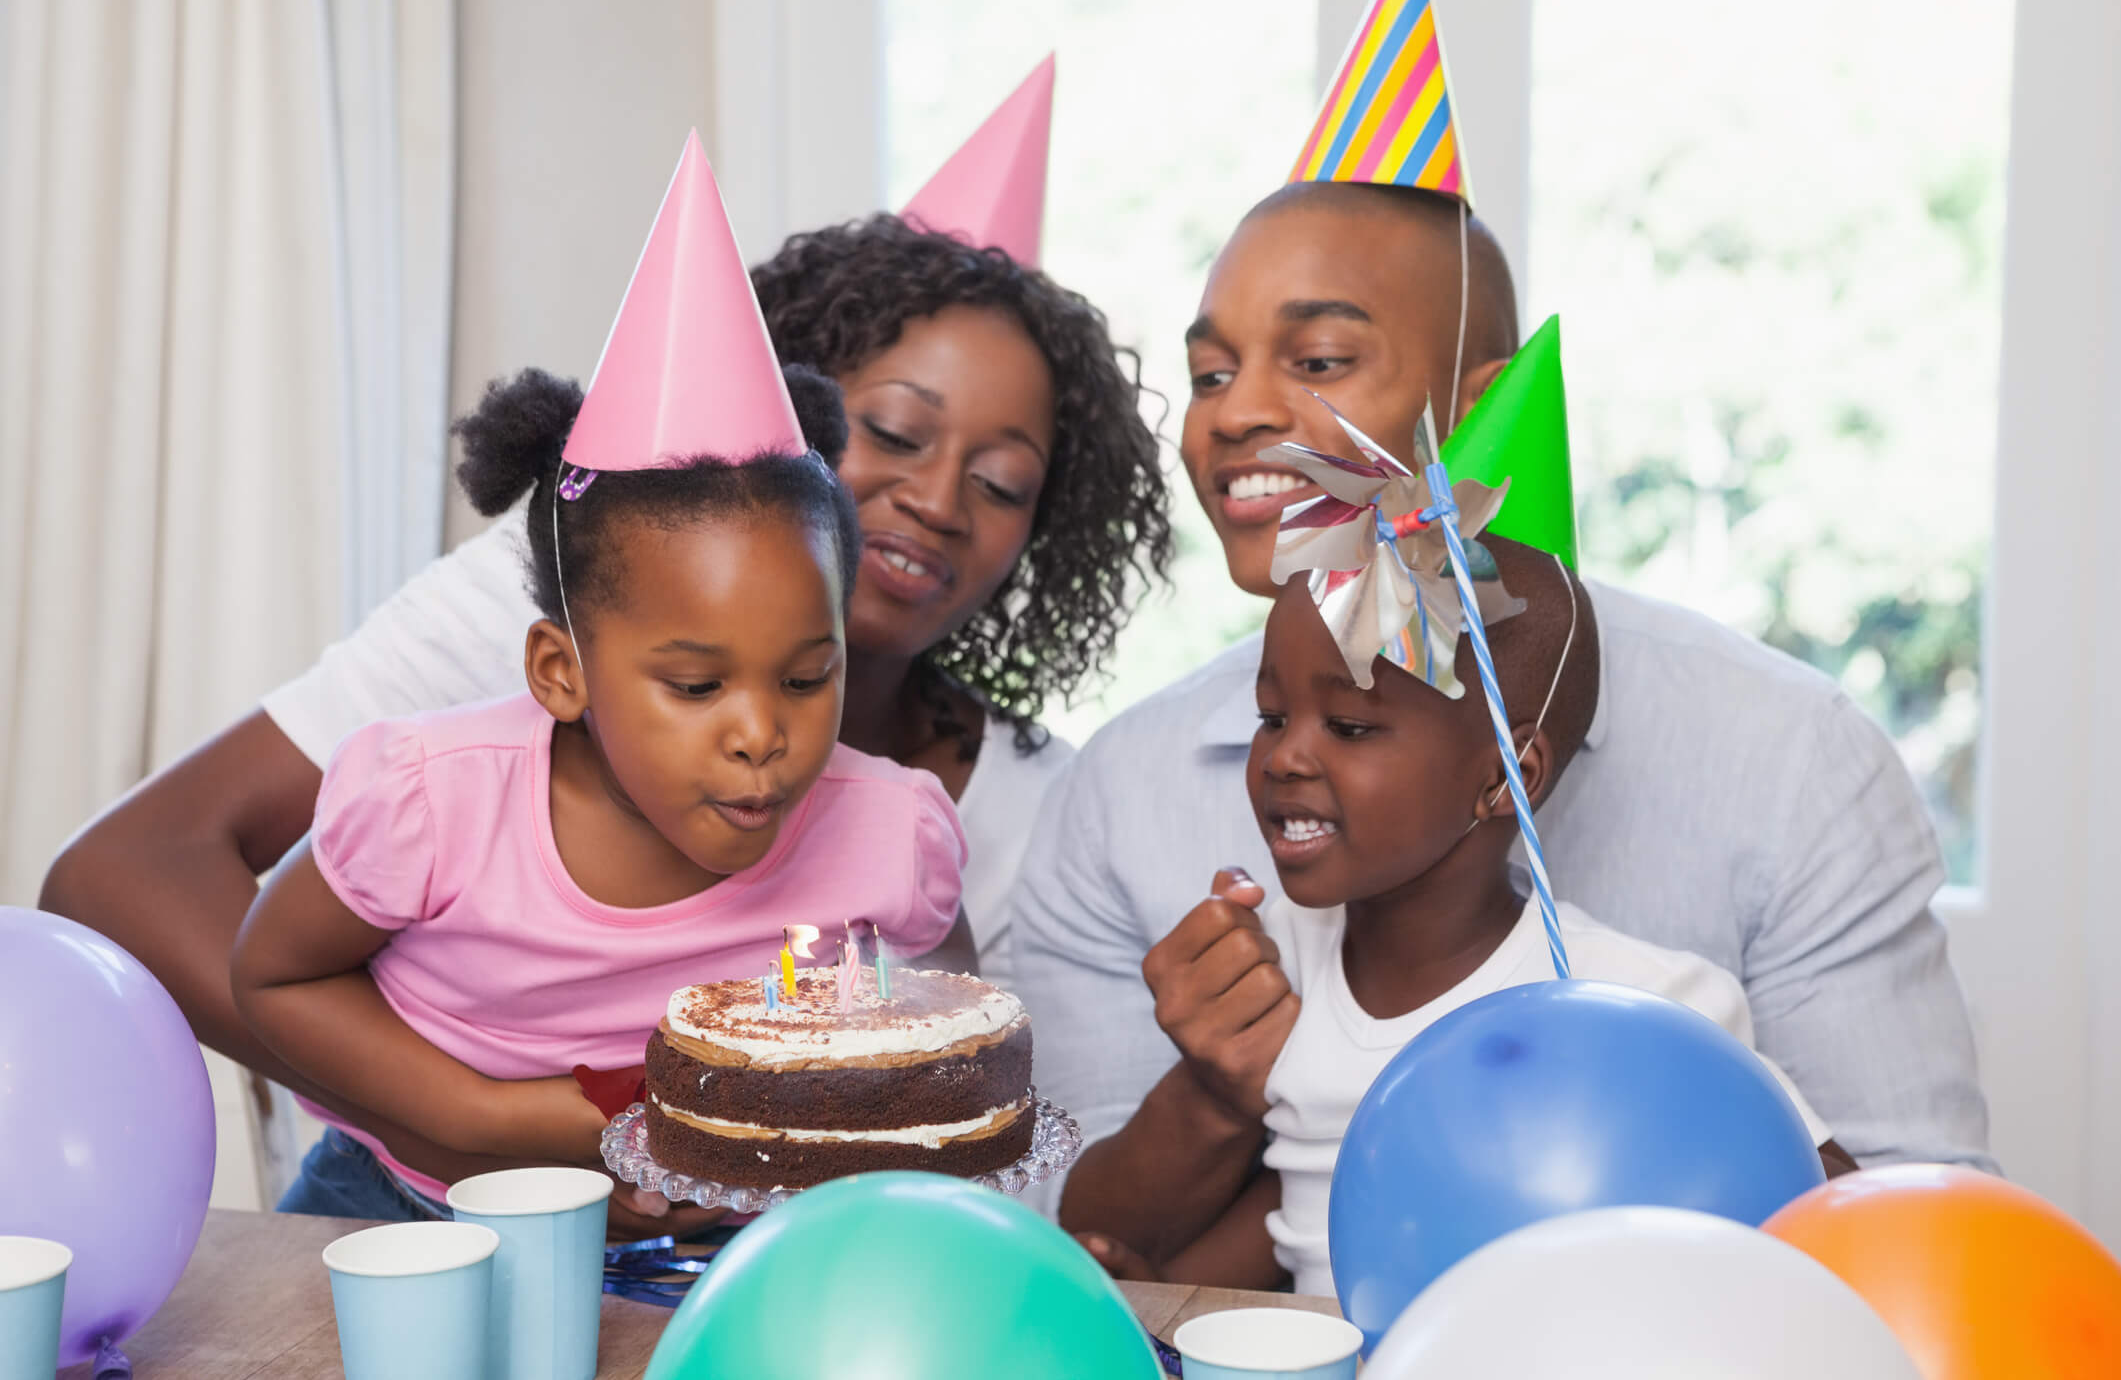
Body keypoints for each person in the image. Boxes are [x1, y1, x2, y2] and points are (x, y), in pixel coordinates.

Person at [39, 130, 1169, 1219]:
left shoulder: (938, 821)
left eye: (1004, 480)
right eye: (896, 432)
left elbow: (944, 1065)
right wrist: (476, 1124)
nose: (937, 499)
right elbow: (162, 900)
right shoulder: (502, 681)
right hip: (419, 1198)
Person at [1013, 186, 1988, 1235]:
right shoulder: (1116, 797)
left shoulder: (1796, 761)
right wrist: (1212, 1097)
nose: (1233, 412)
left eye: (1320, 359)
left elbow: (1915, 1242)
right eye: (1209, 373)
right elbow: (1092, 1256)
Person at [230, 137, 976, 1219]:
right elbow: (275, 977)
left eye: (808, 677)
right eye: (695, 685)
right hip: (415, 1201)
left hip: (725, 1242)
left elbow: (951, 1047)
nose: (762, 732)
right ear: (561, 670)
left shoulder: (892, 838)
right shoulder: (432, 803)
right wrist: (500, 1123)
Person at [1067, 532, 1843, 1292]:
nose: (1284, 757)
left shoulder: (1643, 1000)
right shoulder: (1276, 968)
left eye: (1348, 727)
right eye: (1271, 716)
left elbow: (1838, 1221)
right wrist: (1155, 1296)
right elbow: (1303, 1222)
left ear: (1507, 775)